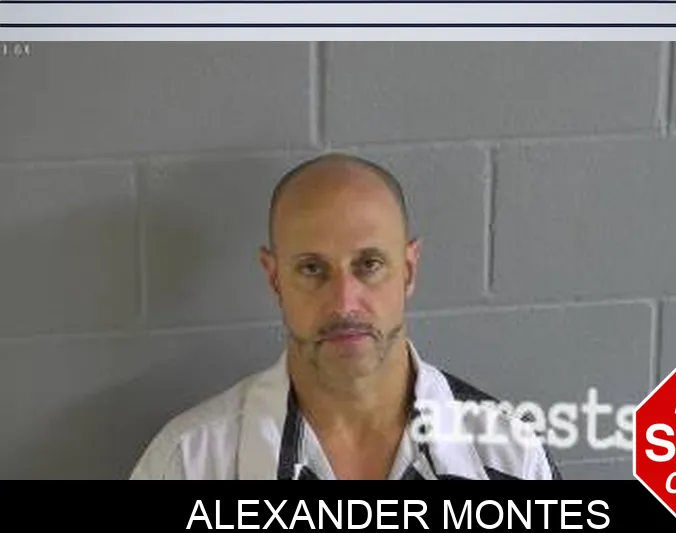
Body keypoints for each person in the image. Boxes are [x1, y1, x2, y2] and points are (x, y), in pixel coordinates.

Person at [129, 152, 561, 480]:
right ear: (275, 278)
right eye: (311, 269)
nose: (343, 303)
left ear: (408, 270)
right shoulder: (188, 463)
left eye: (369, 264)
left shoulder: (510, 456)